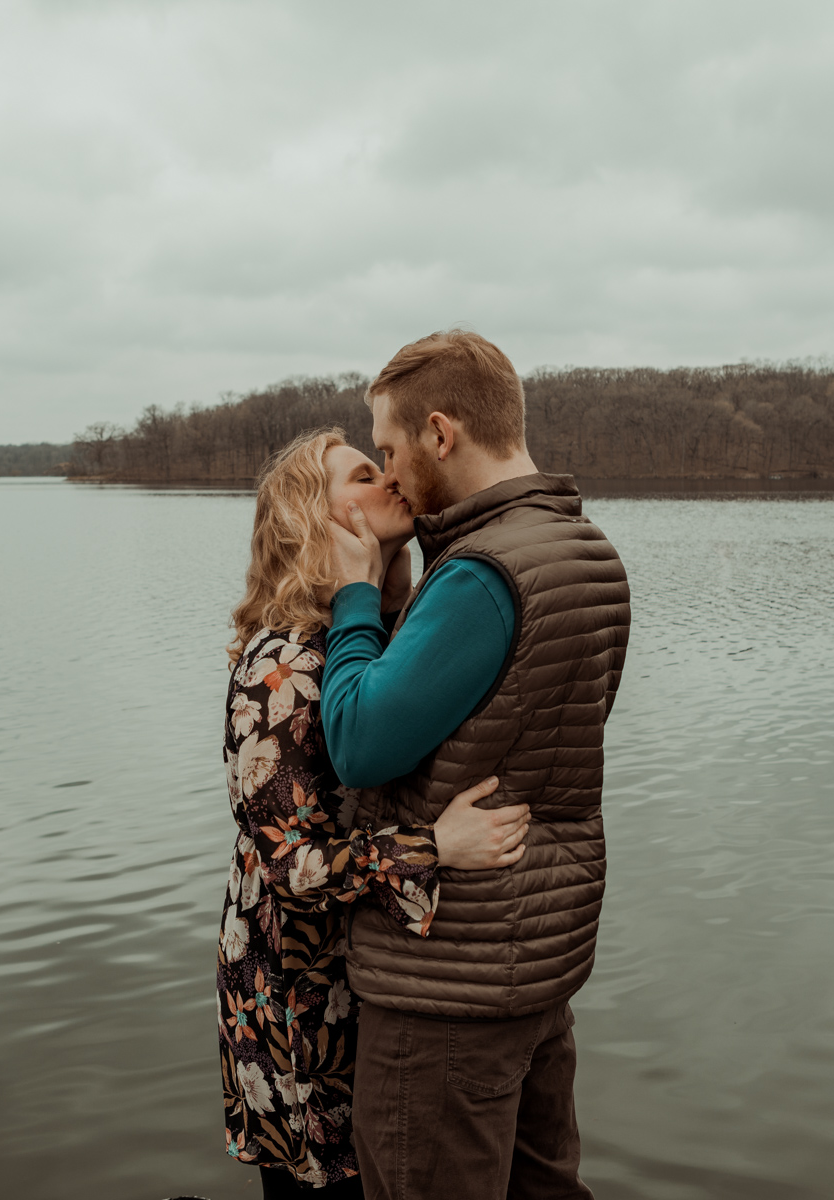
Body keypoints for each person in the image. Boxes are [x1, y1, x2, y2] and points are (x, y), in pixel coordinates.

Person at [319, 330, 631, 1200]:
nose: (388, 475)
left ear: (441, 433)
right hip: (534, 965)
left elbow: (358, 741)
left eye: (389, 448)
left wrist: (354, 590)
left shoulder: (482, 577)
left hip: (444, 990)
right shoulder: (585, 550)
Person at [217, 428, 533, 1199]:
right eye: (363, 474)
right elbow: (292, 867)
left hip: (360, 980)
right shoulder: (283, 666)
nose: (390, 478)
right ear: (312, 520)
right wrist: (436, 846)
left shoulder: (372, 642)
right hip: (295, 997)